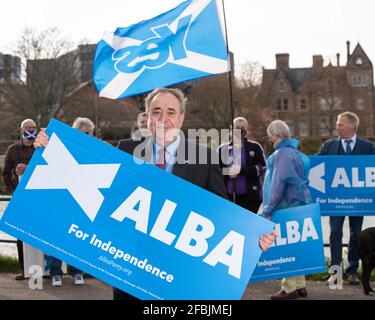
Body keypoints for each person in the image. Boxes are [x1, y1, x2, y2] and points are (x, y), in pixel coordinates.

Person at [34, 88, 277, 300]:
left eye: (171, 112)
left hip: (179, 274)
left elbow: (221, 214)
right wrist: (47, 146)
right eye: (156, 111)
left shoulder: (204, 158)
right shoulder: (126, 150)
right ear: (148, 117)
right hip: (129, 269)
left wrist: (253, 238)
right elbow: (84, 174)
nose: (163, 118)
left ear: (181, 117)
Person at [317, 111, 375, 285]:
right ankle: (335, 273)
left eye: (340, 124)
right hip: (334, 201)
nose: (337, 126)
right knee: (335, 234)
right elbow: (314, 165)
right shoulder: (328, 146)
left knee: (356, 235)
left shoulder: (367, 147)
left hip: (359, 201)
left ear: (352, 125)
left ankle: (352, 272)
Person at [35, 117, 95, 286]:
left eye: (87, 133)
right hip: (63, 199)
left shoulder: (95, 152)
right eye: (80, 132)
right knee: (59, 237)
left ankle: (77, 271)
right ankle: (56, 272)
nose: (84, 135)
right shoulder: (62, 147)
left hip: (84, 201)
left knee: (78, 238)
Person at [262, 120, 312, 300]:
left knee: (287, 247)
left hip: (285, 206)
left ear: (276, 135)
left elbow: (278, 182)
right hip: (299, 204)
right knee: (297, 244)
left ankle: (288, 288)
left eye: (270, 137)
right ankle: (300, 285)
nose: (270, 140)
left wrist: (268, 209)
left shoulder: (282, 154)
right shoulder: (296, 152)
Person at [1, 119, 37, 280]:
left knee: (46, 233)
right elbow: (5, 174)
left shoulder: (43, 148)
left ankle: (49, 270)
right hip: (20, 199)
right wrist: (14, 192)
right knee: (21, 235)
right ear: (21, 130)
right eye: (27, 128)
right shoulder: (13, 150)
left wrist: (27, 168)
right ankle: (24, 270)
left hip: (41, 199)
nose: (30, 130)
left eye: (33, 128)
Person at [218, 117, 266, 213]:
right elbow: (215, 170)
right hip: (228, 196)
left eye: (242, 127)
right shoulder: (223, 148)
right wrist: (228, 172)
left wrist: (241, 170)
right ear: (232, 128)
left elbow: (263, 168)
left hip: (251, 197)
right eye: (237, 127)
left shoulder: (255, 147)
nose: (240, 129)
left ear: (247, 129)